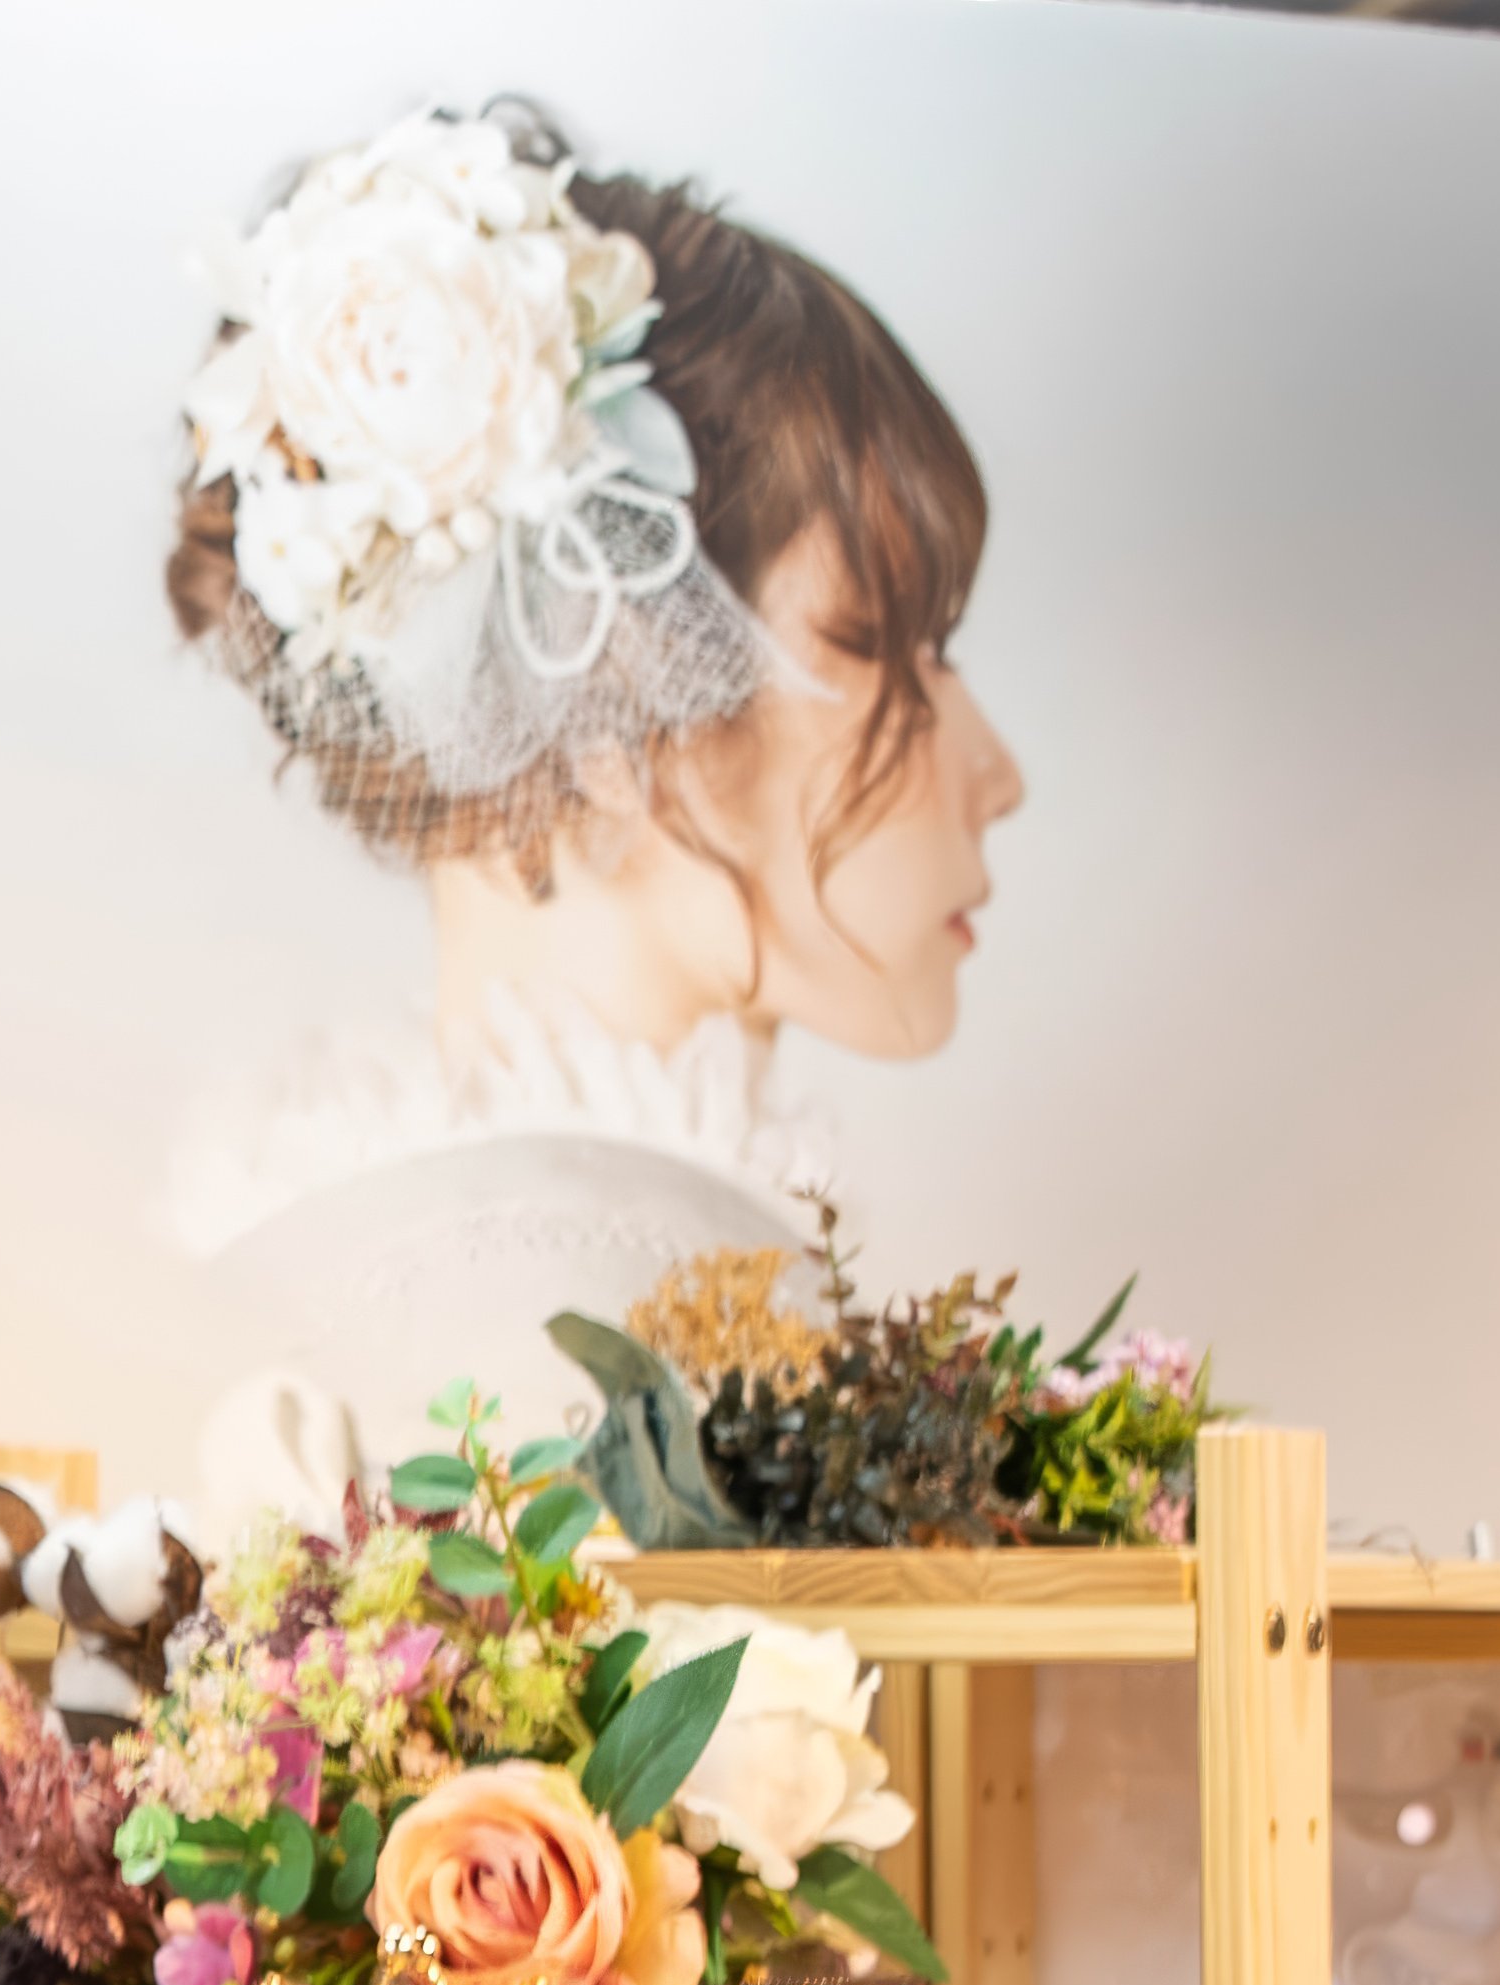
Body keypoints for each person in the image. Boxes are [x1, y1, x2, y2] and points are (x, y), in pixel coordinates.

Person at [157, 111, 1026, 1523]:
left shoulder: (446, 1272)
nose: (993, 770)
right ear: (614, 677)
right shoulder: (546, 1338)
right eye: (876, 640)